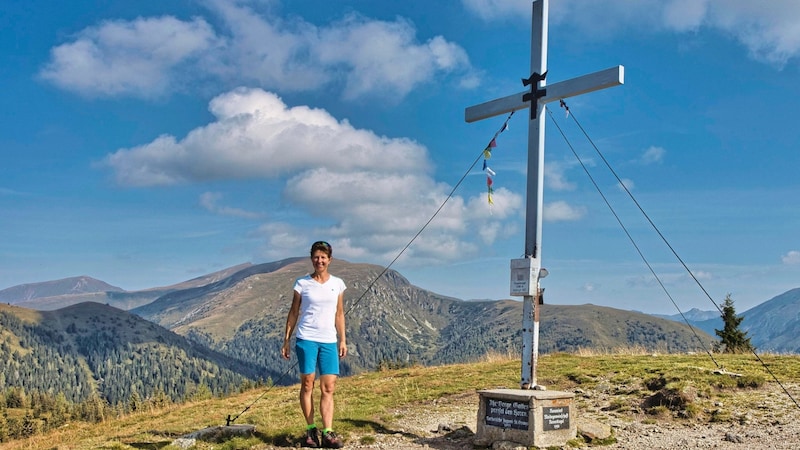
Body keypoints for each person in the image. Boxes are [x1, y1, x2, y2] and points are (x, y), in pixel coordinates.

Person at [282, 240, 347, 448]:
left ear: (329, 259)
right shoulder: (302, 283)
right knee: (308, 383)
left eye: (323, 257)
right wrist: (287, 340)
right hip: (306, 338)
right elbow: (293, 313)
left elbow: (339, 313)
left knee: (328, 387)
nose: (319, 261)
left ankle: (328, 432)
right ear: (312, 259)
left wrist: (343, 339)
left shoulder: (337, 284)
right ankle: (311, 430)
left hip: (328, 340)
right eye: (316, 257)